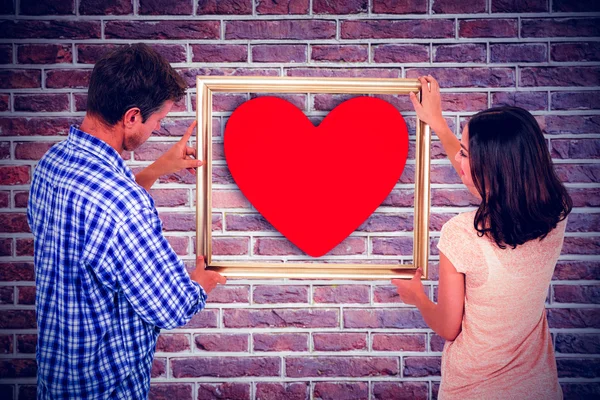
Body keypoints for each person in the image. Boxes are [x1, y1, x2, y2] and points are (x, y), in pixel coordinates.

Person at [27, 43, 226, 399]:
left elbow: (95, 227)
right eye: (158, 120)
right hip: (104, 389)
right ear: (132, 117)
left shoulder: (52, 164)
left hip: (56, 381)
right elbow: (172, 306)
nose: (156, 128)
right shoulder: (124, 205)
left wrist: (155, 170)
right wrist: (201, 283)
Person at [393, 76, 572, 399]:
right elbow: (481, 175)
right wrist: (439, 125)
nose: (458, 161)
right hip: (538, 387)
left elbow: (449, 327)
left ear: (491, 170)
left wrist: (416, 296)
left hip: (474, 389)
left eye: (465, 154)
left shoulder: (462, 234)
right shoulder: (555, 215)